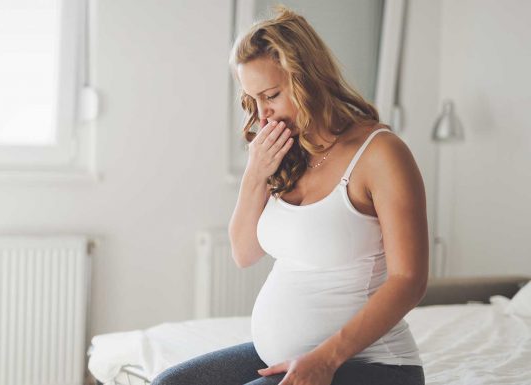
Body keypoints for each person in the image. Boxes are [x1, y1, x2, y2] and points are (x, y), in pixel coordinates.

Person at [151, 5, 428, 385]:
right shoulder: (288, 152)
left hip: (371, 365)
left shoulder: (381, 154)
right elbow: (244, 254)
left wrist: (325, 359)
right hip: (287, 358)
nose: (263, 116)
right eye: (253, 100)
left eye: (272, 95)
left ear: (308, 79)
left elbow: (409, 279)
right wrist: (255, 173)